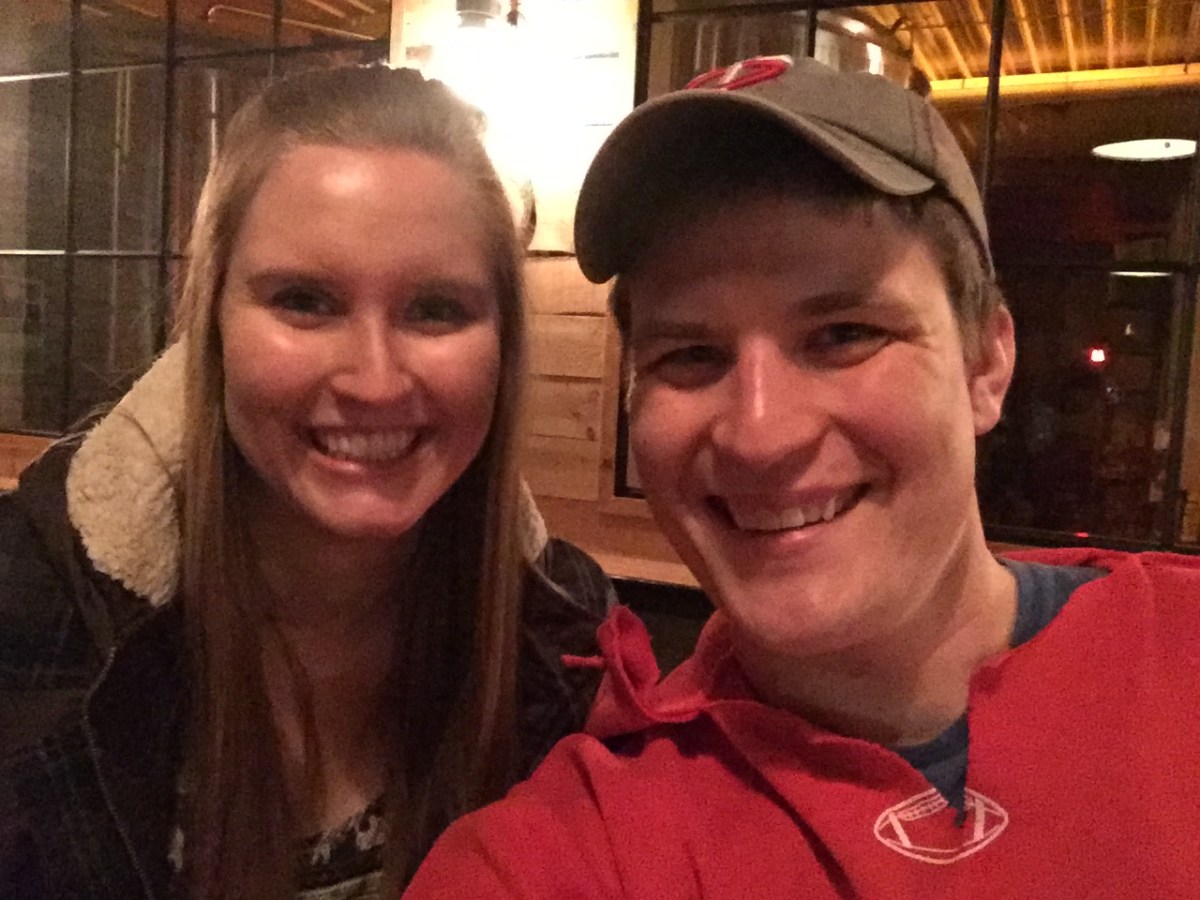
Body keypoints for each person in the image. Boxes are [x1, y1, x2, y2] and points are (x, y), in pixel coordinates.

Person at [403, 56, 1200, 898]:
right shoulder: (565, 852)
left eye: (844, 335)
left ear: (986, 364)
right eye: (691, 355)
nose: (760, 435)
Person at [0, 66, 614, 899]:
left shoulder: (571, 640)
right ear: (213, 322)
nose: (374, 380)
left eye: (435, 309)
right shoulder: (27, 614)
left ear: (503, 346)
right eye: (305, 301)